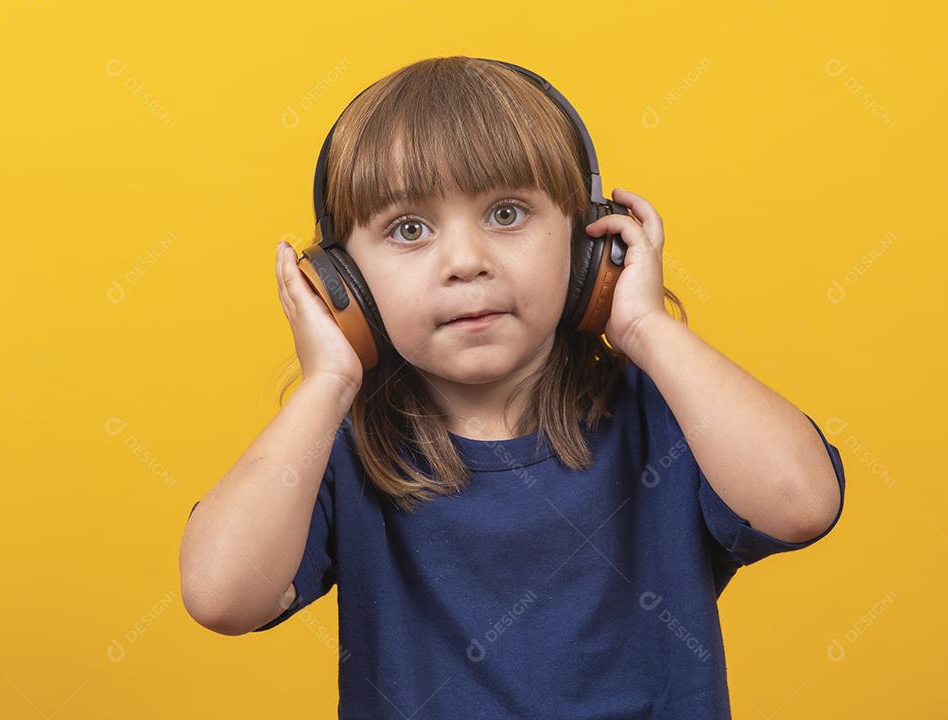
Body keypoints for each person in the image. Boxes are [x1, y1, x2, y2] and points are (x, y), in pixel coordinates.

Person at [178, 55, 845, 719]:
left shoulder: (665, 413)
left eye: (506, 215)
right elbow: (220, 595)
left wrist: (644, 325)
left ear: (592, 250)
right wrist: (326, 383)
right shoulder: (342, 447)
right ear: (341, 283)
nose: (467, 262)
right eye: (409, 230)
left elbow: (801, 502)